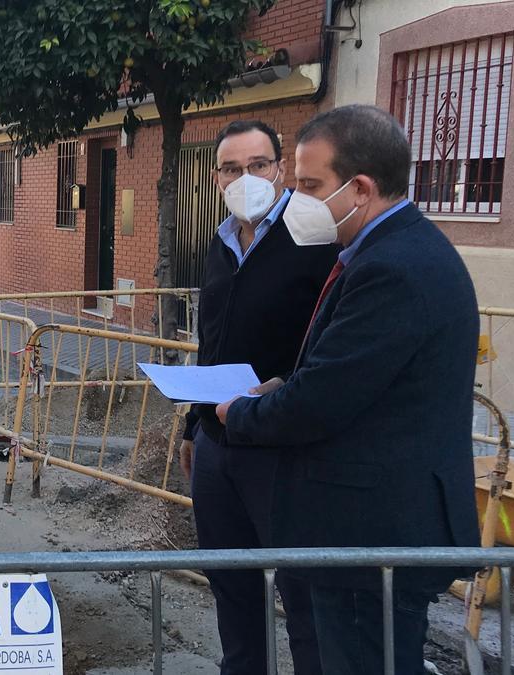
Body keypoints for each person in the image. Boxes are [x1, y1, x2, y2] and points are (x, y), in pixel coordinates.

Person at [216, 105, 480, 675]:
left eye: (309, 186)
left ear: (359, 188)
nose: (299, 199)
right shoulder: (386, 252)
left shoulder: (394, 267)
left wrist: (240, 412)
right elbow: (353, 377)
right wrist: (288, 384)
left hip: (370, 531)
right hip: (368, 525)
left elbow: (320, 403)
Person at [180, 120, 337, 675]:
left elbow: (327, 341)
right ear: (216, 177)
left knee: (304, 599)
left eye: (257, 166)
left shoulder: (317, 238)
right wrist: (193, 428)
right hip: (219, 444)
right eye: (231, 169)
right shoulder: (220, 243)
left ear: (280, 169)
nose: (245, 178)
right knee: (233, 590)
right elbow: (211, 341)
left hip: (282, 449)